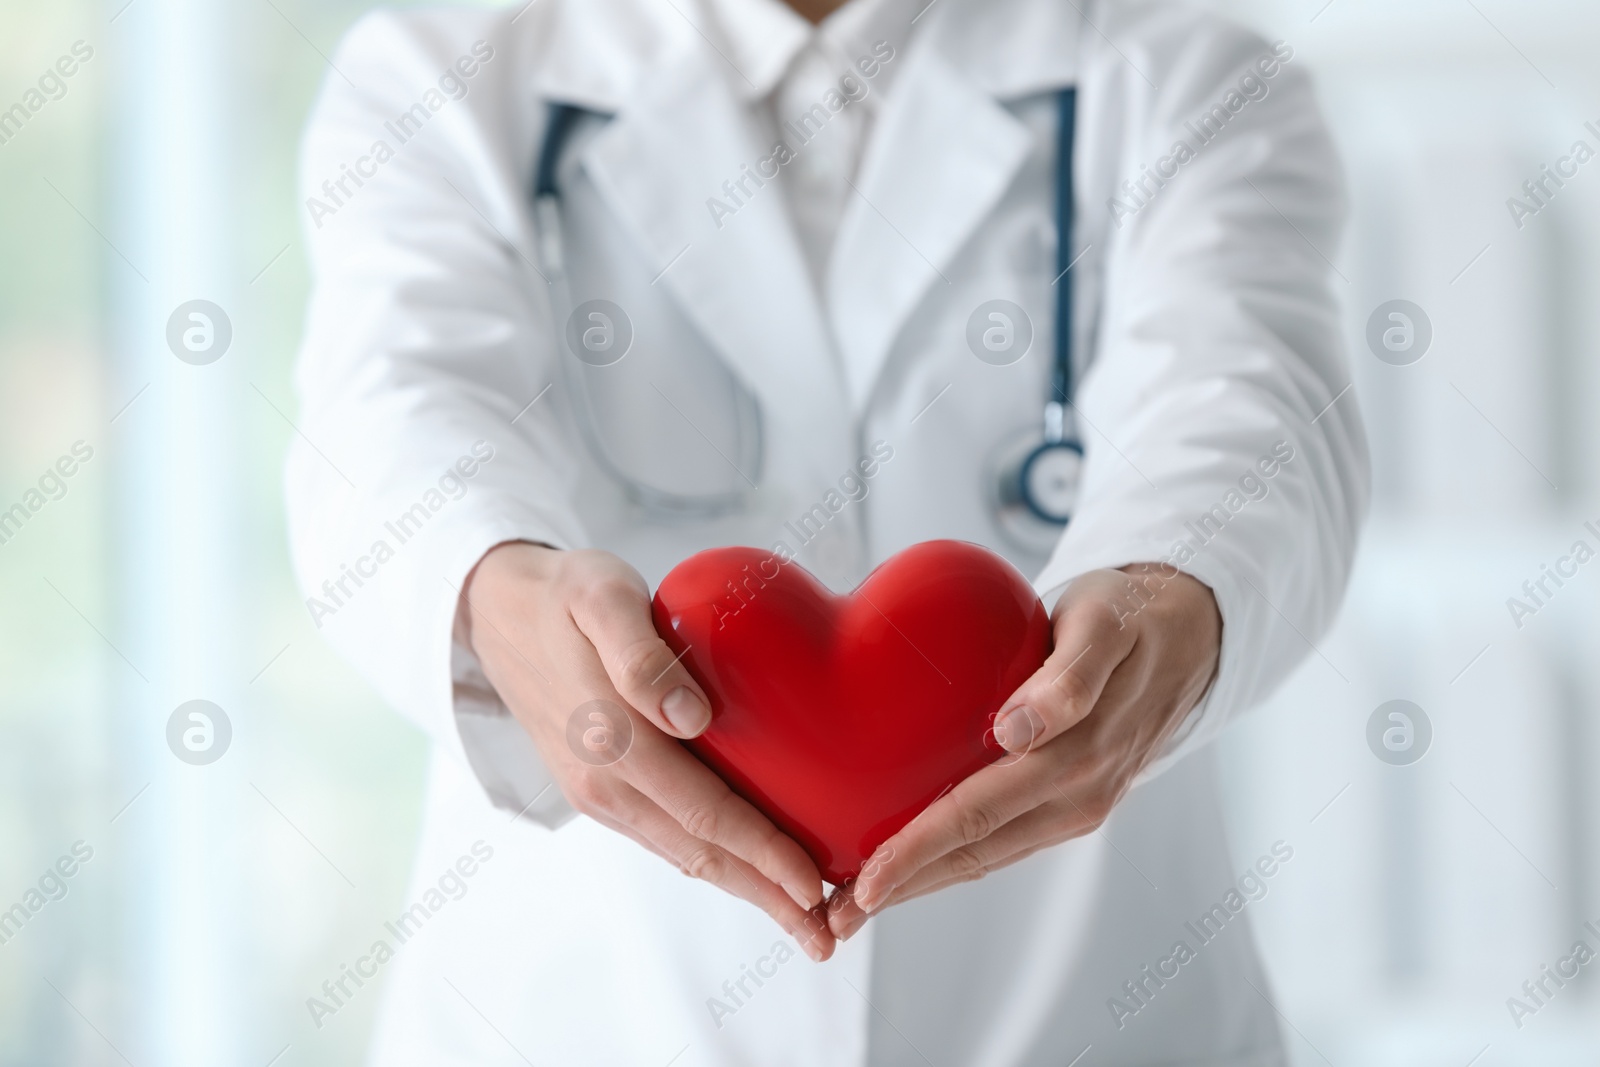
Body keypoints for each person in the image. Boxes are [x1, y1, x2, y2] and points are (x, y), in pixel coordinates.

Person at [286, 0, 1367, 1062]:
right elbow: (390, 415)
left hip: (1100, 1016)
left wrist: (1167, 593)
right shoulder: (438, 74)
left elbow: (1249, 414)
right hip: (582, 1018)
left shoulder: (1188, 77)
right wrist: (490, 582)